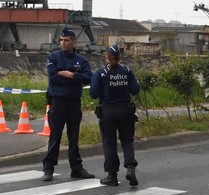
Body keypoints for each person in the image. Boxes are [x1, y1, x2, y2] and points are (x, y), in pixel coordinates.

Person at [42, 28, 95, 181]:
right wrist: (74, 78)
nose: (63, 43)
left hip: (73, 103)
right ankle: (49, 168)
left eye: (67, 40)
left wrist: (71, 74)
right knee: (55, 136)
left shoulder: (81, 60)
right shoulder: (54, 57)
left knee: (74, 137)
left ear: (73, 42)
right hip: (58, 102)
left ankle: (76, 168)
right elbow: (53, 78)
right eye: (61, 40)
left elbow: (88, 78)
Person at [90, 44, 140, 186]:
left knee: (109, 143)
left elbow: (93, 94)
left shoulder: (100, 73)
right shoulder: (127, 71)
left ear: (106, 57)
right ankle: (130, 169)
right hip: (125, 111)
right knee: (127, 141)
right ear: (120, 57)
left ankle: (112, 176)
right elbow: (135, 90)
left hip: (107, 112)